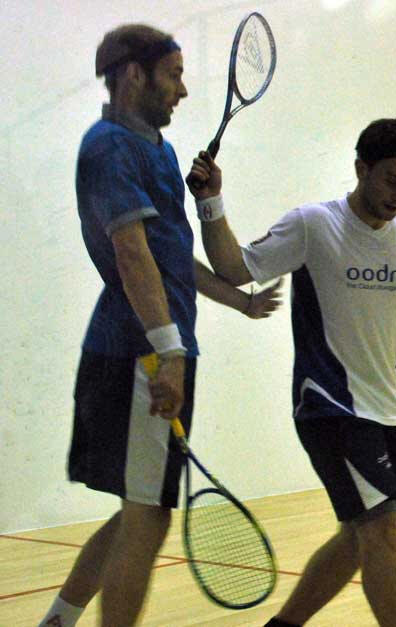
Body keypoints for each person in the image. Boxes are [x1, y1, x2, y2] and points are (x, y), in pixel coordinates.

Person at [38, 24, 282, 627]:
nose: (183, 89)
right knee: (147, 516)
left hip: (155, 349)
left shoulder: (160, 152)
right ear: (133, 76)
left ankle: (58, 621)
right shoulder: (109, 147)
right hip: (138, 352)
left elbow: (169, 255)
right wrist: (167, 352)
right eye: (173, 75)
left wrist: (238, 301)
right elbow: (131, 254)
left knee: (138, 510)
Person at [186, 118, 396, 627]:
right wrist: (210, 202)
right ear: (361, 169)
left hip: (384, 410)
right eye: (391, 181)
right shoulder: (313, 225)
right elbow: (235, 269)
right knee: (381, 534)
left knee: (355, 538)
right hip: (330, 404)